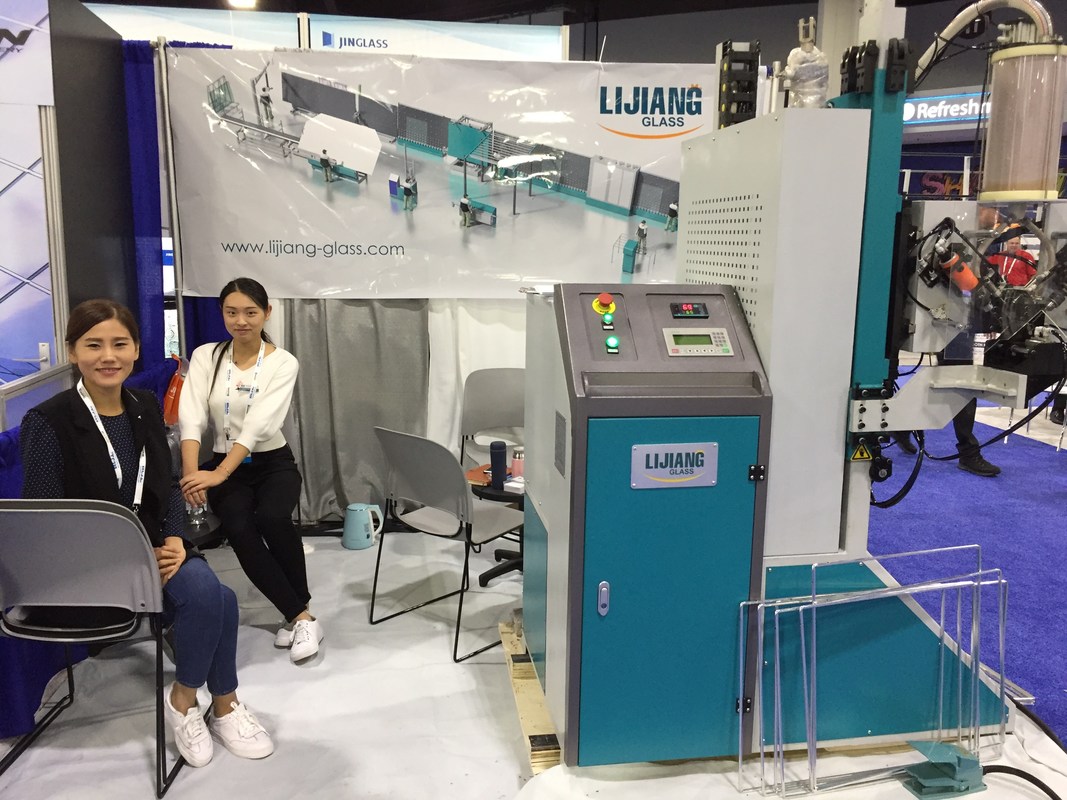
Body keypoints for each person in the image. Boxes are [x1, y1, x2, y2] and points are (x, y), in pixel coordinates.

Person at [20, 299, 274, 768]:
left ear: (136, 349)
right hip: (88, 566)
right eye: (93, 345)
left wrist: (175, 537)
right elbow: (49, 523)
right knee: (215, 598)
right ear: (72, 351)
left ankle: (197, 701)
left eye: (120, 344)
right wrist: (130, 556)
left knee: (215, 595)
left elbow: (169, 485)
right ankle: (216, 702)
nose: (108, 356)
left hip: (155, 546)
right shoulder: (47, 421)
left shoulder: (144, 406)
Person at [178, 278, 323, 663]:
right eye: (231, 312)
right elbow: (191, 418)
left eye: (250, 312)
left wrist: (219, 474)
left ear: (266, 313)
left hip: (272, 463)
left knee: (273, 518)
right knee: (240, 529)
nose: (240, 320)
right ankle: (301, 618)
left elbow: (259, 424)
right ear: (222, 313)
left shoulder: (282, 362)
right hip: (224, 466)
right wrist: (192, 478)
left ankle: (300, 614)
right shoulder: (207, 356)